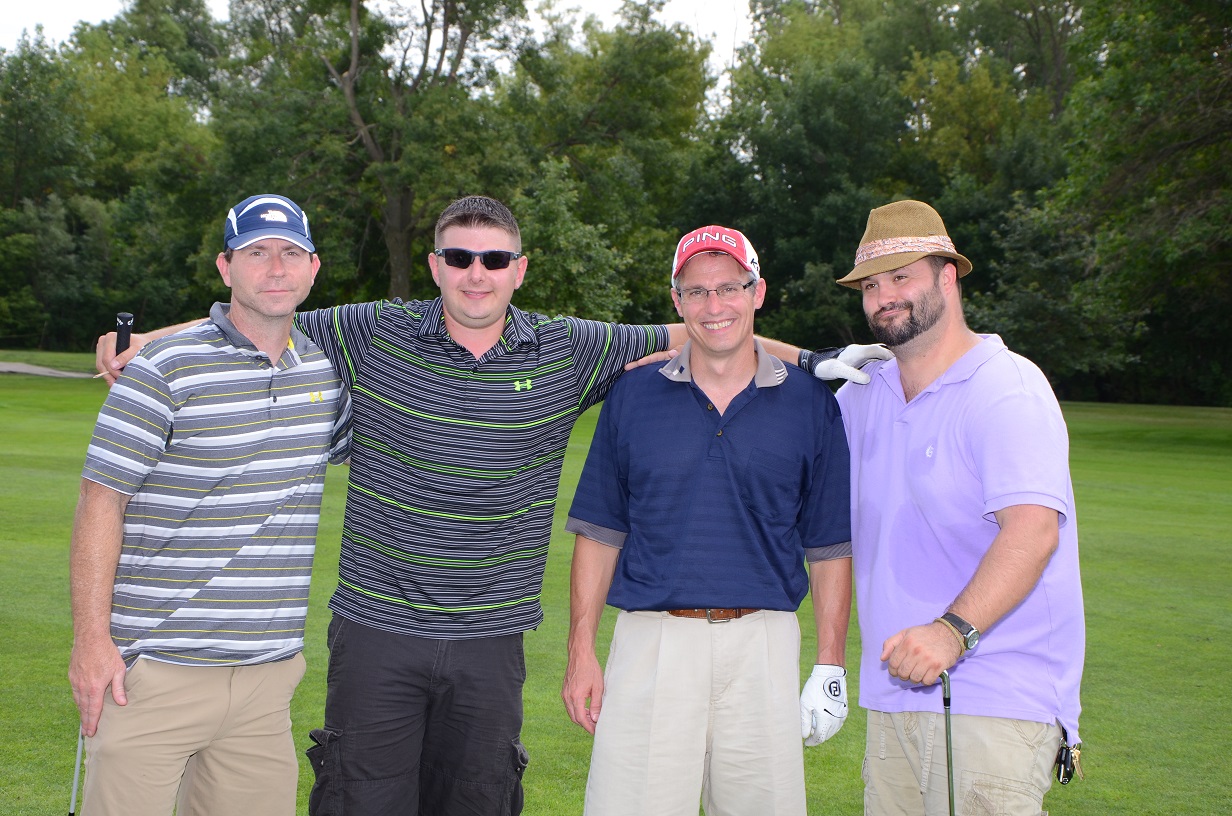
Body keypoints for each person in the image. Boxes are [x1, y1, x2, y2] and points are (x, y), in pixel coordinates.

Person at [96, 196, 887, 816]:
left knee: (475, 803)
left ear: (520, 268)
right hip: (377, 633)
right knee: (361, 801)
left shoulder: (569, 347)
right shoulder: (374, 330)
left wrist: (813, 359)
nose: (478, 272)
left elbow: (708, 330)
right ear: (436, 266)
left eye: (495, 259)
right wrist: (145, 348)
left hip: (490, 642)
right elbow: (260, 313)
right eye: (461, 257)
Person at [68, 194, 350, 815]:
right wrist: (91, 643)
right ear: (226, 268)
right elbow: (100, 501)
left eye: (289, 253)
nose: (274, 268)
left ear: (312, 268)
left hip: (267, 680)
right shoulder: (165, 367)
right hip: (153, 676)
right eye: (255, 252)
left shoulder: (325, 375)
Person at [561, 225, 853, 816]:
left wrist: (831, 662)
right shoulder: (633, 393)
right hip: (653, 642)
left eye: (729, 288)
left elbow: (828, 545)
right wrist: (580, 651)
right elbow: (599, 531)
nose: (713, 306)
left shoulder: (811, 401)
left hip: (764, 645)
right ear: (677, 301)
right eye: (696, 292)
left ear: (758, 292)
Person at [832, 199, 1085, 815]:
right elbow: (726, 342)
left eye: (901, 277)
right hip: (895, 697)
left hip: (994, 698)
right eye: (871, 285)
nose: (884, 296)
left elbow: (1033, 531)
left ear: (948, 276)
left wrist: (953, 631)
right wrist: (802, 358)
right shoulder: (864, 395)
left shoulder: (1006, 388)